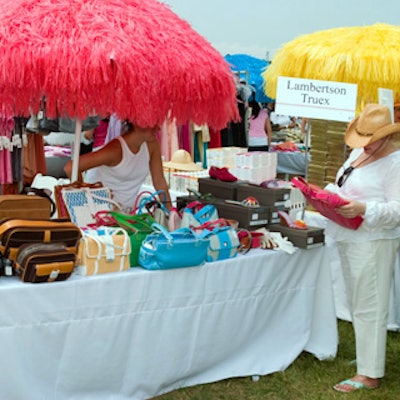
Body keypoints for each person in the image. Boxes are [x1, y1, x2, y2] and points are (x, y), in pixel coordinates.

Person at [325, 104, 400, 393]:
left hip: (374, 240)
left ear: (387, 136)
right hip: (351, 236)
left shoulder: (395, 163)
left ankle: (369, 374)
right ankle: (368, 360)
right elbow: (346, 184)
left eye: (371, 140)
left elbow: (397, 209)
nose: (365, 145)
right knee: (359, 302)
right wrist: (329, 195)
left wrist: (363, 208)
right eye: (362, 139)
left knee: (371, 304)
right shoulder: (360, 153)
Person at [64, 121, 172, 212]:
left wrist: (171, 214)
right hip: (101, 214)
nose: (158, 128)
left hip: (126, 216)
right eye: (153, 123)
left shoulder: (152, 145)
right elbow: (70, 167)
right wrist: (86, 195)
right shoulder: (115, 150)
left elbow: (159, 182)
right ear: (138, 122)